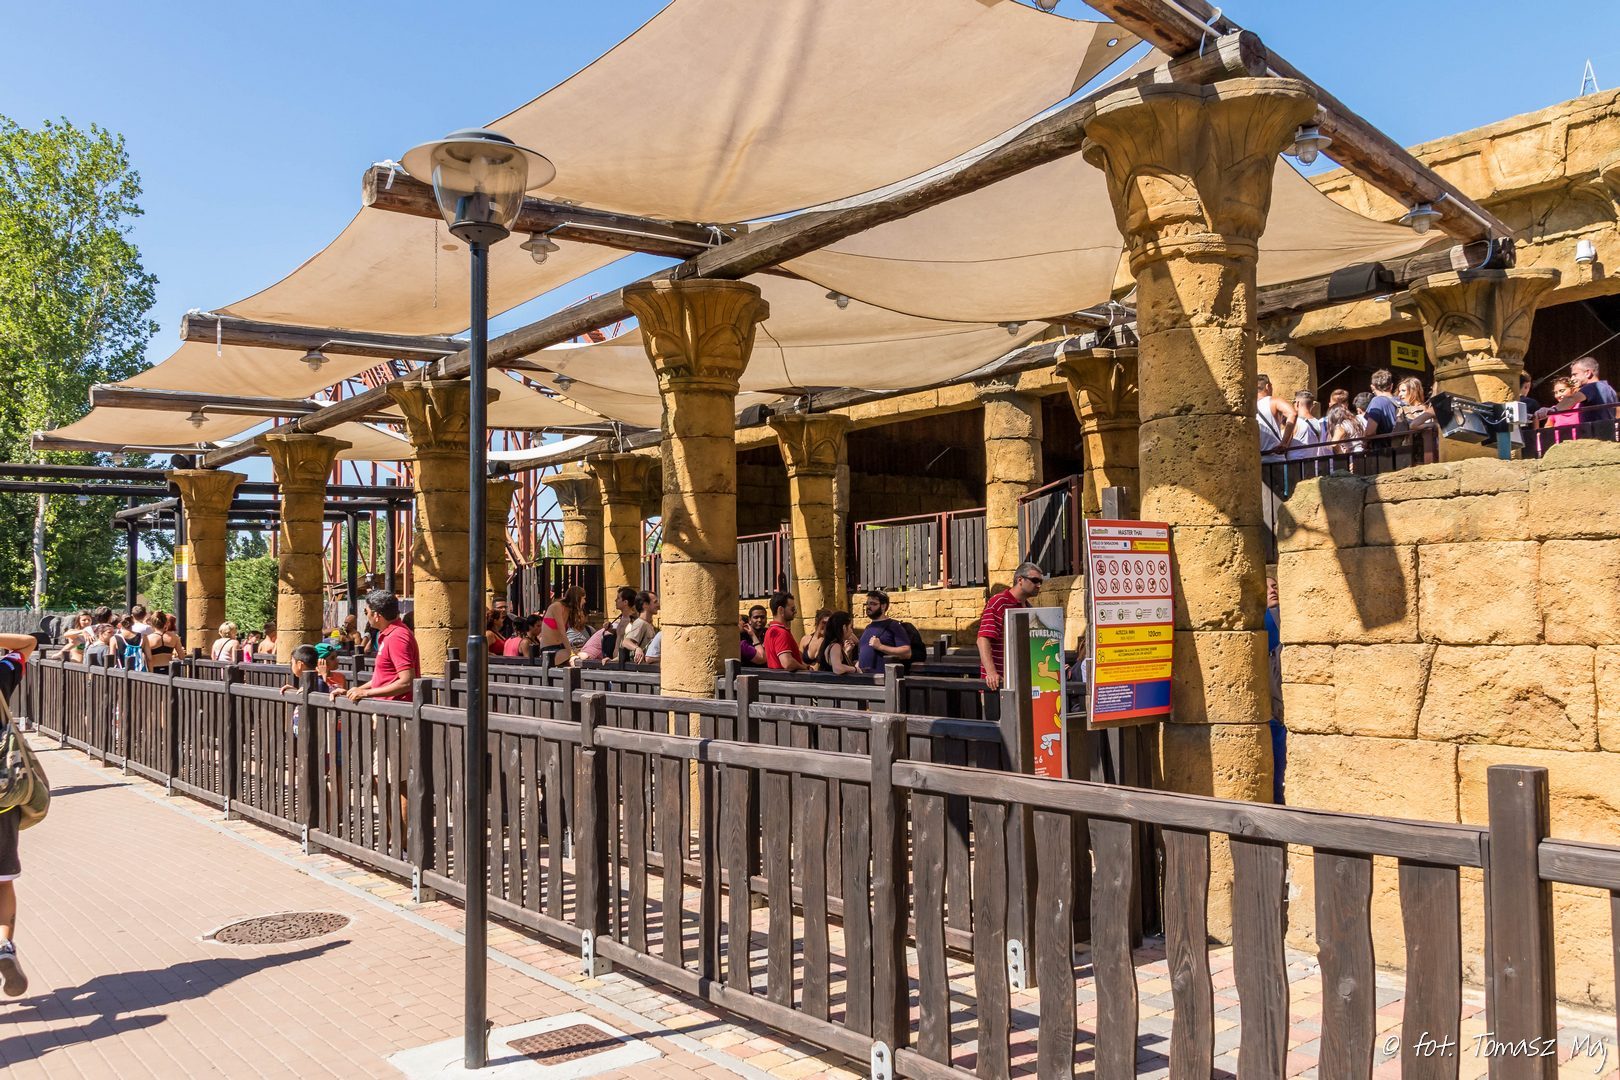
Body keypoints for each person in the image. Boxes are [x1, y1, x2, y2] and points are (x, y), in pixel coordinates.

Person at [0, 630, 41, 996]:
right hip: (3, 792)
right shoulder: (2, 672)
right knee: (2, 879)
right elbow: (28, 643)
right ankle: (4, 945)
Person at [976, 562, 1043, 691]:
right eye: (1035, 580)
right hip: (997, 684)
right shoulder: (998, 602)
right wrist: (991, 673)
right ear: (1020, 580)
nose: (1039, 585)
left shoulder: (1029, 608)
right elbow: (983, 638)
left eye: (1041, 582)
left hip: (1020, 682)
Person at [344, 590, 418, 703]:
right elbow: (383, 679)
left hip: (395, 708)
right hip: (386, 707)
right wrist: (352, 692)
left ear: (376, 615)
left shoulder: (397, 637)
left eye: (366, 612)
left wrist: (366, 693)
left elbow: (407, 682)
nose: (366, 616)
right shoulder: (389, 633)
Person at [1265, 575, 1285, 804]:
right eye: (1266, 587)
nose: (1272, 590)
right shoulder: (1268, 618)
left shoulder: (1280, 616)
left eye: (1274, 586)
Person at [856, 591, 910, 673]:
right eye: (867, 604)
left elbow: (907, 653)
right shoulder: (868, 627)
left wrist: (880, 647)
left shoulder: (894, 626)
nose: (868, 607)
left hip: (884, 677)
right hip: (865, 677)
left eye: (873, 604)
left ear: (883, 606)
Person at [1571, 355, 1619, 437]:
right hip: (1610, 435)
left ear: (1587, 373)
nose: (1572, 378)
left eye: (1575, 374)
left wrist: (1551, 410)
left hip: (1594, 437)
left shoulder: (1590, 387)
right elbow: (1618, 412)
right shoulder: (1610, 389)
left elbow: (1570, 400)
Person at [763, 592, 806, 671]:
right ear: (781, 610)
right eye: (792, 609)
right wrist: (804, 668)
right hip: (786, 677)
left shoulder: (770, 630)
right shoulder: (780, 633)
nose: (795, 612)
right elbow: (787, 663)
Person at [1255, 374, 1297, 453]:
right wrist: (1284, 443)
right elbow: (1292, 413)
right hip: (1274, 455)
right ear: (1268, 386)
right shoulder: (1274, 401)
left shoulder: (1249, 405)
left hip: (1256, 456)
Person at [1361, 369, 1402, 438]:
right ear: (1391, 386)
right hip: (1402, 443)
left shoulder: (1377, 401)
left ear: (1372, 387)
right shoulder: (1401, 402)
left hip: (1384, 444)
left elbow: (1370, 432)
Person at [622, 591, 658, 663]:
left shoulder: (648, 624)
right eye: (655, 602)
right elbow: (626, 641)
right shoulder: (640, 623)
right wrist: (637, 649)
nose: (658, 605)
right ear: (645, 605)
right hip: (642, 667)